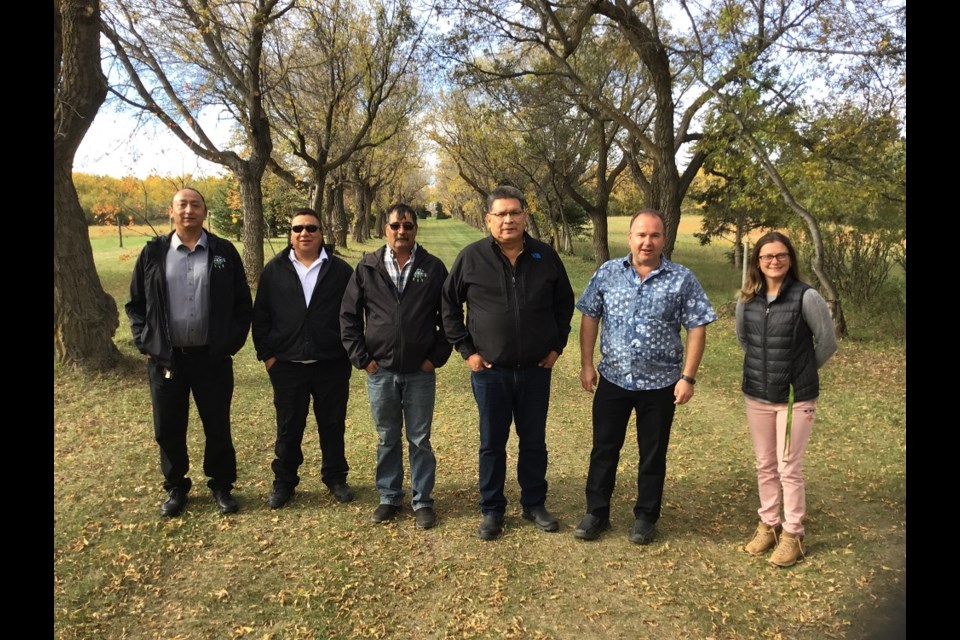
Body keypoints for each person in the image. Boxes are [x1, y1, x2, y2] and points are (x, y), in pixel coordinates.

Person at [574, 209, 716, 544]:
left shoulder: (682, 279)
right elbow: (590, 316)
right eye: (641, 235)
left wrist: (688, 377)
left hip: (661, 384)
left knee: (653, 452)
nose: (647, 242)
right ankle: (597, 512)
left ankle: (646, 517)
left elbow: (697, 326)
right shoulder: (608, 273)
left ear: (664, 239)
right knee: (604, 448)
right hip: (613, 379)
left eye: (654, 235)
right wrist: (586, 363)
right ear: (630, 238)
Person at [442, 185, 575, 541]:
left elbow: (564, 304)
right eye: (500, 214)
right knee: (492, 442)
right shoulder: (471, 258)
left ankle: (534, 503)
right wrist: (467, 350)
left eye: (514, 213)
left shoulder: (544, 256)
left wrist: (556, 346)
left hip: (535, 370)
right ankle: (492, 509)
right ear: (488, 219)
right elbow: (449, 307)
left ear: (525, 216)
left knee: (534, 440)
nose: (508, 220)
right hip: (490, 373)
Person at [126, 187, 252, 517]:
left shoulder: (223, 252)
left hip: (212, 359)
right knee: (168, 427)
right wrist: (145, 341)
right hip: (167, 360)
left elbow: (242, 304)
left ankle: (222, 485)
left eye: (196, 204)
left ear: (204, 212)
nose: (188, 210)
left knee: (217, 425)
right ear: (171, 211)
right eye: (182, 205)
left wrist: (230, 342)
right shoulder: (153, 253)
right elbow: (136, 304)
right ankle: (176, 487)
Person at [340, 204, 452, 530]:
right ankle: (389, 497)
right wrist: (363, 359)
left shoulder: (431, 268)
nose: (401, 231)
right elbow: (348, 316)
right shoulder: (367, 267)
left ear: (416, 229)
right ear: (385, 229)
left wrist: (435, 358)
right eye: (395, 226)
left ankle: (422, 501)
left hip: (420, 371)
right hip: (381, 371)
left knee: (419, 439)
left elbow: (448, 318)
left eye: (407, 226)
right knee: (387, 436)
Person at [737, 231, 837, 567]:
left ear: (790, 259)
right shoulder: (747, 298)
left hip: (794, 397)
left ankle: (793, 533)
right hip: (757, 395)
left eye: (780, 255)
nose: (774, 261)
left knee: (788, 467)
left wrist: (801, 371)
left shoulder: (806, 297)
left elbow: (826, 343)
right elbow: (744, 339)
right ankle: (769, 525)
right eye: (767, 257)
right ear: (758, 262)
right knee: (764, 464)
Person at [252, 208, 355, 509]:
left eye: (311, 228)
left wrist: (348, 351)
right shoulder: (274, 270)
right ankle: (284, 483)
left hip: (331, 364)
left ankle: (335, 478)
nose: (304, 233)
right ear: (290, 234)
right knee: (288, 427)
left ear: (322, 233)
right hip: (286, 365)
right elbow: (261, 317)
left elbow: (354, 315)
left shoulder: (340, 271)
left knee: (332, 424)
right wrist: (268, 357)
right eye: (298, 228)